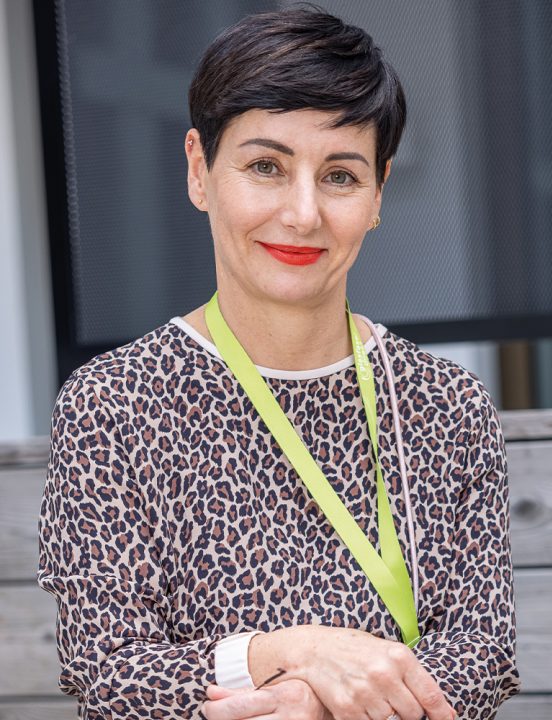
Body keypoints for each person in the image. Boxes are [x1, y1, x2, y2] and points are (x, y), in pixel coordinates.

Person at [38, 6, 521, 720]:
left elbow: (484, 653)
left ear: (378, 192)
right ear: (200, 170)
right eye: (265, 166)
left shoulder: (445, 403)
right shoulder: (115, 404)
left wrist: (314, 707)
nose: (302, 214)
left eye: (340, 176)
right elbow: (106, 668)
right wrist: (287, 654)